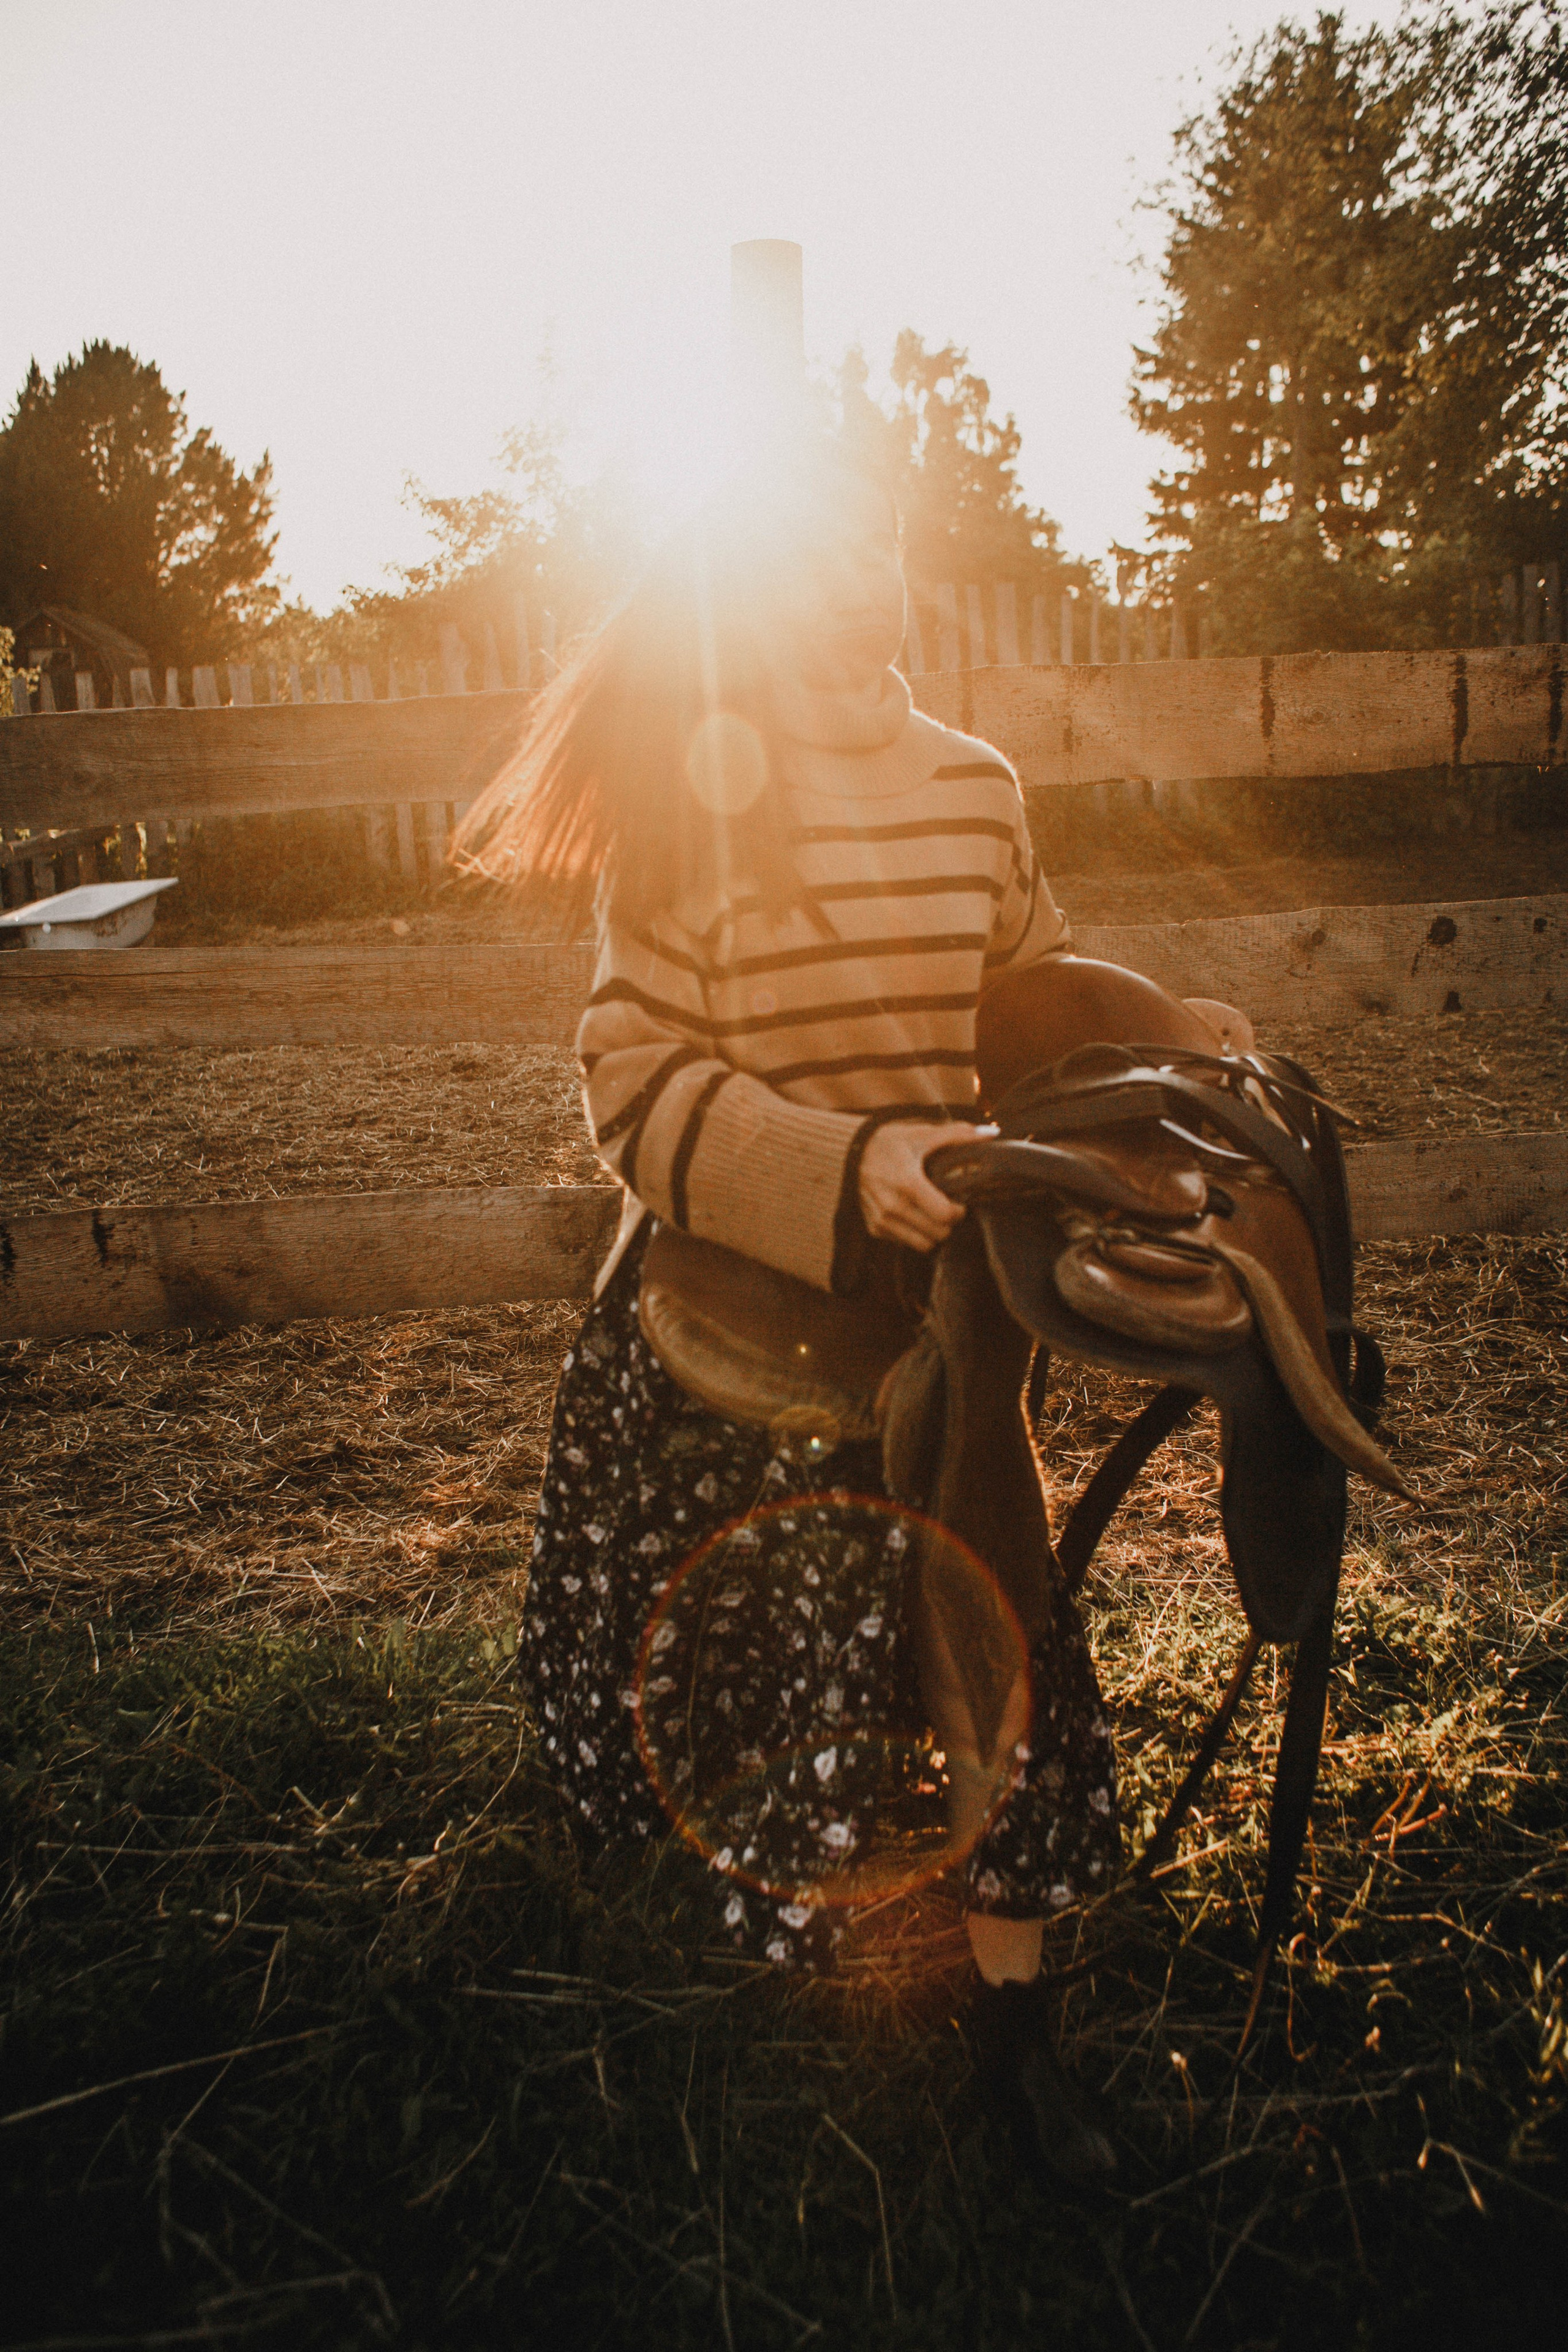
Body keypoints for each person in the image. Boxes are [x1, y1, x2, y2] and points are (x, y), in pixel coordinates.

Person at [454, 447, 1120, 2183]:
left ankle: (1014, 2044)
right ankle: (767, 2025)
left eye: (871, 552)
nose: (850, 591)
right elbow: (628, 1078)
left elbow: (1035, 1011)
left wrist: (1121, 1083)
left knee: (997, 1627)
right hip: (733, 1305)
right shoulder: (694, 802)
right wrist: (840, 1163)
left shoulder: (975, 792)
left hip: (938, 1312)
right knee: (756, 1666)